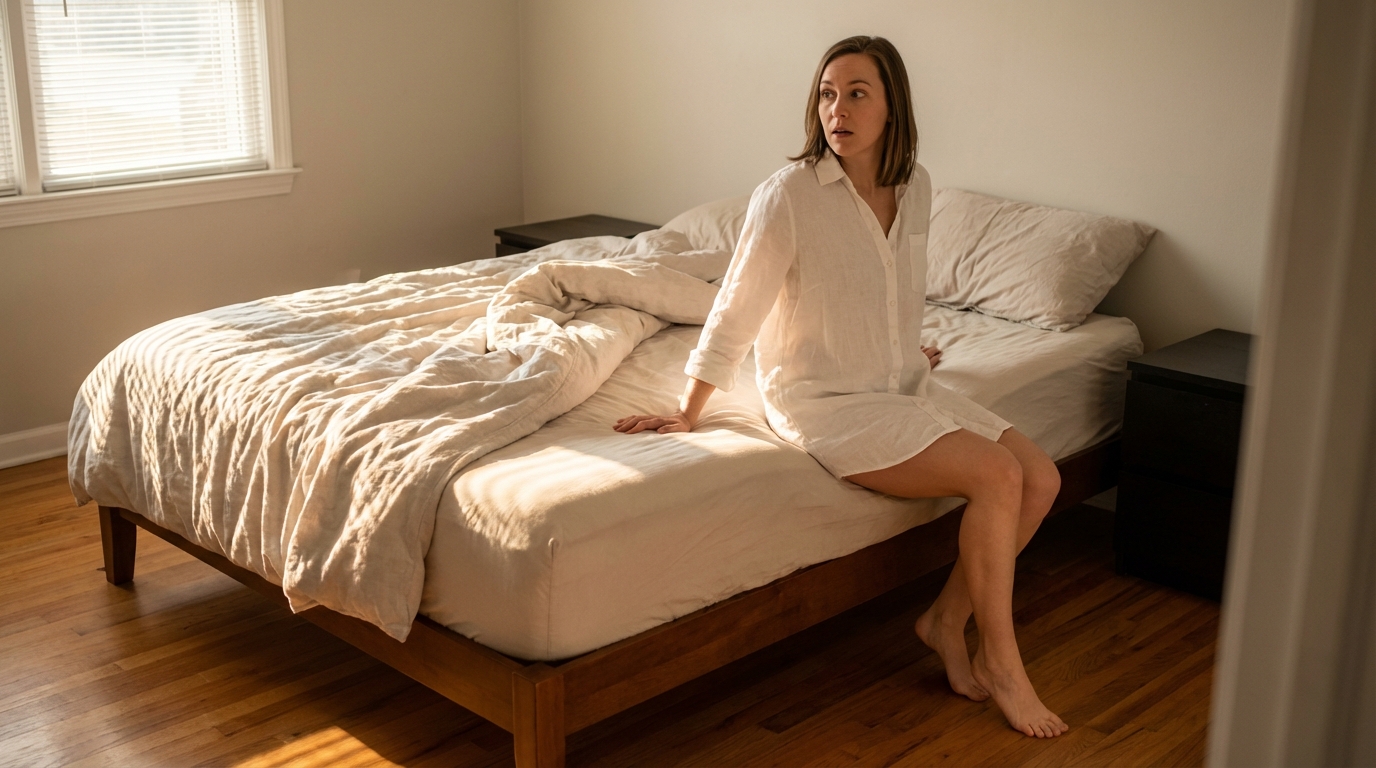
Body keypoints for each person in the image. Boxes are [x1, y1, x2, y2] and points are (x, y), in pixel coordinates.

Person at [613, 36, 1067, 739]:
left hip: (901, 382)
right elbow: (739, 304)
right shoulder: (789, 193)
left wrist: (899, 343)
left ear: (892, 108)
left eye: (857, 93)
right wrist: (688, 407)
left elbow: (890, 284)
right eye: (828, 93)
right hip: (825, 401)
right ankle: (1003, 663)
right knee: (998, 476)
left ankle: (946, 619)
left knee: (1040, 480)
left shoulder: (917, 185)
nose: (837, 109)